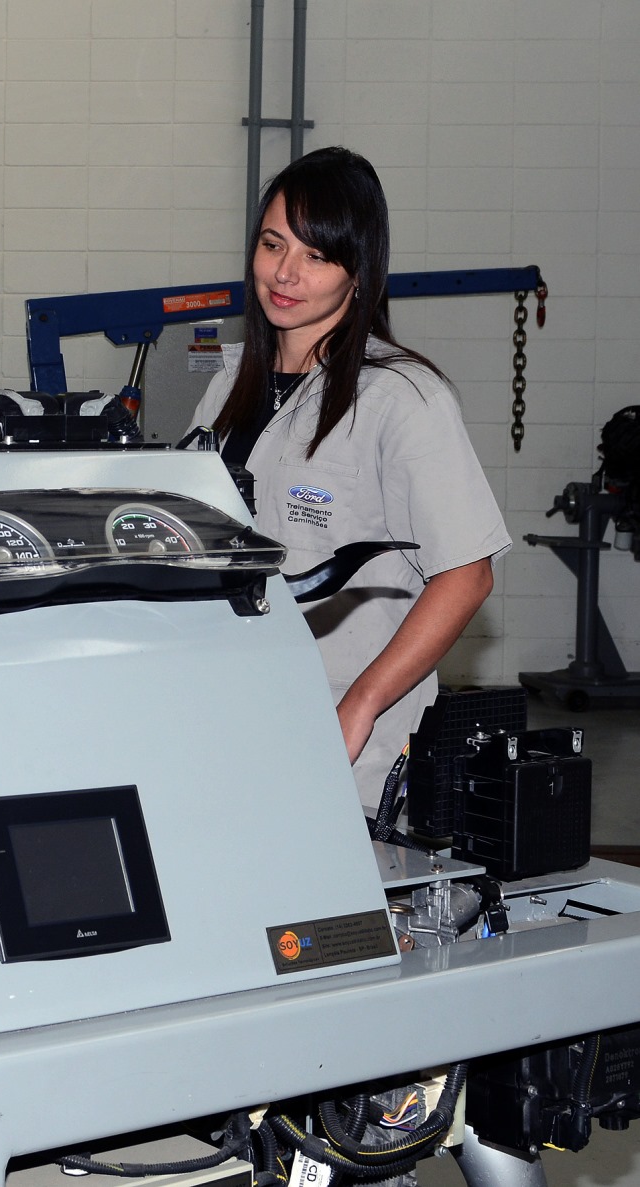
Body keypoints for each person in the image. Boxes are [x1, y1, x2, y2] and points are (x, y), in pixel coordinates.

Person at [188, 147, 509, 812]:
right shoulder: (227, 387)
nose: (285, 271)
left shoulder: (402, 398)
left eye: (316, 255)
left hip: (348, 754)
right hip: (229, 726)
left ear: (359, 273)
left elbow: (468, 573)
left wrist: (360, 704)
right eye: (274, 244)